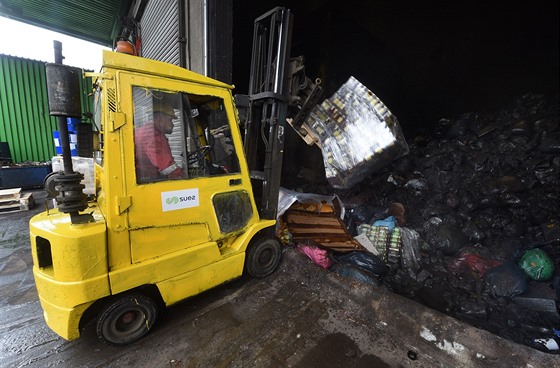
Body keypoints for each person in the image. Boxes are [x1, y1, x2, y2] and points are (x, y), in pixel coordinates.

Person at [135, 100, 184, 182]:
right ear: (160, 119)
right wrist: (182, 177)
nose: (173, 124)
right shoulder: (154, 136)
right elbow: (167, 167)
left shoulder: (142, 131)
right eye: (170, 120)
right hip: (150, 181)